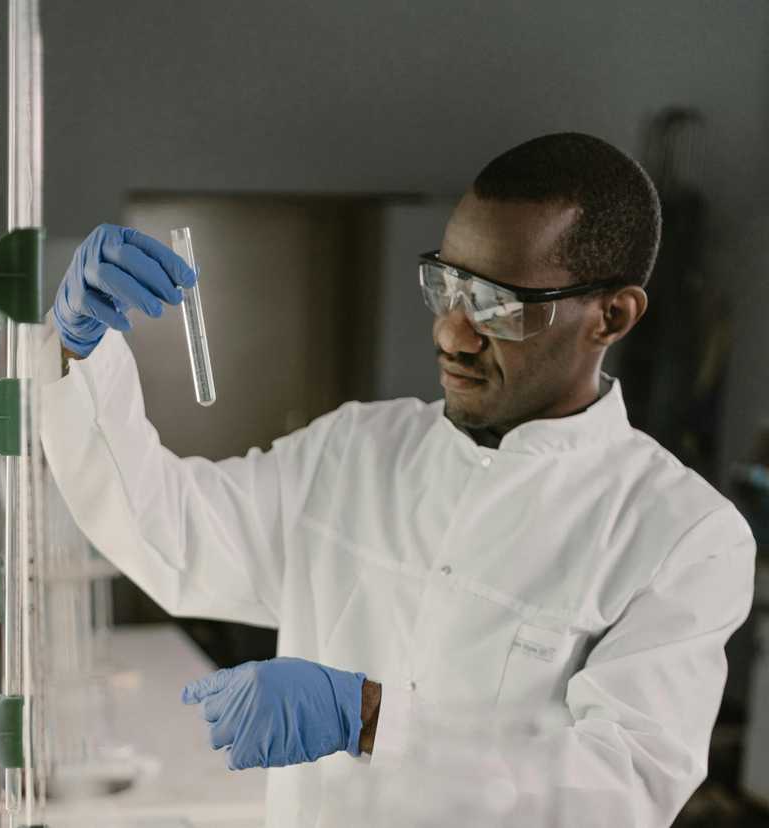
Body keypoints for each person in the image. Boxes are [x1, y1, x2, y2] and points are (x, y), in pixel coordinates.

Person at [39, 133, 755, 827]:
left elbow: (618, 796)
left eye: (498, 305)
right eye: (446, 284)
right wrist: (81, 350)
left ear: (613, 315)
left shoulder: (683, 536)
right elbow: (171, 539)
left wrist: (370, 717)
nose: (452, 332)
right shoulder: (357, 448)